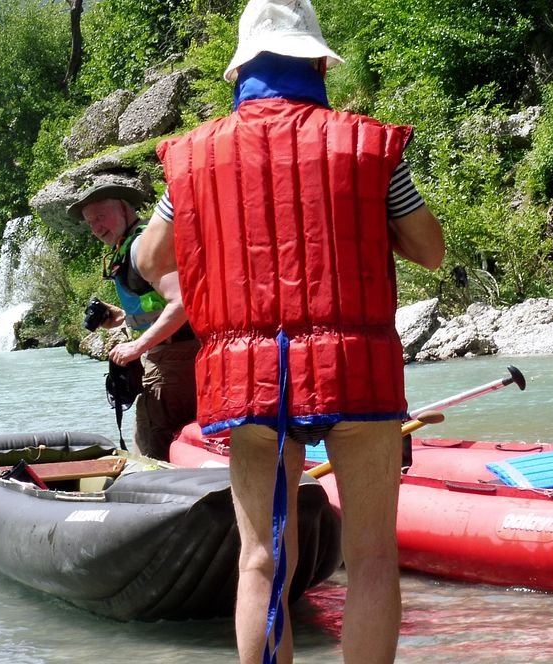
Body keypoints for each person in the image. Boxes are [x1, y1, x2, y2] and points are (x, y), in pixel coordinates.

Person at [139, 2, 444, 661]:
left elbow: (148, 259)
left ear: (242, 66)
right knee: (369, 558)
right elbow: (429, 249)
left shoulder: (189, 159)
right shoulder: (368, 145)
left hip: (246, 382)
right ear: (316, 61)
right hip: (354, 373)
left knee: (260, 561)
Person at [67, 182, 199, 460]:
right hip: (176, 355)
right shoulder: (135, 242)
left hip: (173, 360)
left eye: (101, 216)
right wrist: (124, 317)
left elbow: (183, 303)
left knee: (151, 451)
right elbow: (161, 303)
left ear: (125, 209)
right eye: (91, 222)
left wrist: (136, 346)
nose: (96, 227)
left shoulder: (140, 246)